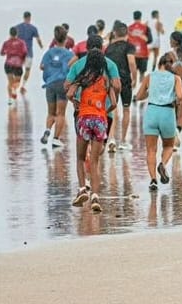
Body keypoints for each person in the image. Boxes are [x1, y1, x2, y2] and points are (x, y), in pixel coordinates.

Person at [65, 46, 117, 214]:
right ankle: (95, 196)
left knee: (81, 158)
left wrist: (77, 104)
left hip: (84, 119)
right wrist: (104, 112)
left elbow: (69, 93)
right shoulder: (106, 80)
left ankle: (82, 189)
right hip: (100, 120)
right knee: (94, 161)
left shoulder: (83, 78)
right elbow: (114, 103)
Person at [134, 53, 182, 191]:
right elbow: (180, 96)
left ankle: (153, 180)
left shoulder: (149, 76)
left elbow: (138, 96)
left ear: (159, 63)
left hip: (152, 113)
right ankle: (162, 164)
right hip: (167, 113)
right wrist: (176, 102)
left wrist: (150, 93)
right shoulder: (176, 78)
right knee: (168, 146)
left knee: (151, 150)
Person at [104, 22, 138, 151]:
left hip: (112, 80)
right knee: (126, 109)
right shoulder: (129, 47)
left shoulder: (109, 48)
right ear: (126, 34)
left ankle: (111, 138)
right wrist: (134, 77)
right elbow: (131, 62)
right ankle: (123, 140)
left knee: (112, 108)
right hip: (124, 80)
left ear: (115, 33)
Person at [39, 25, 72, 148]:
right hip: (62, 84)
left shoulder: (49, 52)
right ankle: (56, 138)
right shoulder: (69, 54)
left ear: (55, 38)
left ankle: (48, 129)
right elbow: (71, 67)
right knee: (61, 113)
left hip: (50, 84)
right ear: (66, 39)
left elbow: (42, 66)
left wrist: (52, 67)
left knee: (51, 113)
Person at [14, 11, 44, 95]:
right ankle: (23, 86)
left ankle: (15, 86)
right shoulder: (33, 28)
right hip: (28, 53)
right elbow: (38, 39)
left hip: (19, 53)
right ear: (30, 18)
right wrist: (41, 46)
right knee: (27, 70)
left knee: (18, 71)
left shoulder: (17, 27)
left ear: (23, 17)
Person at [0, 26, 28, 105]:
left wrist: (8, 51)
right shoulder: (22, 42)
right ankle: (14, 90)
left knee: (10, 82)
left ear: (10, 33)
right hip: (18, 64)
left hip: (8, 64)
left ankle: (9, 99)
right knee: (17, 81)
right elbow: (25, 53)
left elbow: (2, 53)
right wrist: (23, 61)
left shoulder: (6, 43)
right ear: (17, 33)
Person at [127, 11, 151, 83]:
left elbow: (126, 41)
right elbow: (150, 40)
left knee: (133, 72)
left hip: (132, 54)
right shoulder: (145, 27)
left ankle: (133, 88)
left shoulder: (129, 28)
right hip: (143, 54)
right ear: (140, 17)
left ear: (133, 17)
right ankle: (141, 88)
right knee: (142, 73)